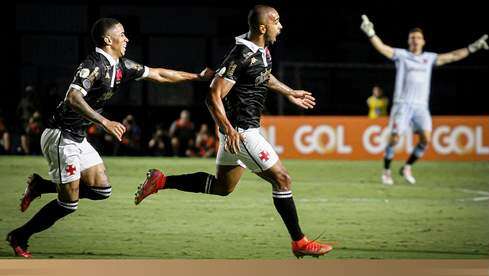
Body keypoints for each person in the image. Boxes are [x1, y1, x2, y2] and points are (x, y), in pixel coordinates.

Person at [134, 5, 333, 258]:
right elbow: (213, 95)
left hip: (241, 131)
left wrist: (290, 92)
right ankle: (300, 242)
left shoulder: (261, 50)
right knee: (282, 179)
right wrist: (229, 130)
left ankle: (161, 181)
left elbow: (265, 76)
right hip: (242, 132)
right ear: (262, 28)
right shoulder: (240, 55)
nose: (280, 26)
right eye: (276, 21)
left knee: (222, 187)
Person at [6, 17, 213, 258]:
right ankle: (20, 236)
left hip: (77, 137)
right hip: (61, 136)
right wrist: (104, 121)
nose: (126, 38)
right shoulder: (93, 65)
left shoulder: (120, 66)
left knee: (101, 191)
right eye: (122, 34)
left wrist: (197, 77)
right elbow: (73, 97)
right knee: (68, 203)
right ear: (107, 40)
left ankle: (41, 185)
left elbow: (158, 74)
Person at [360, 15, 488, 185]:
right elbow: (383, 48)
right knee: (395, 138)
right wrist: (371, 33)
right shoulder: (402, 55)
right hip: (402, 105)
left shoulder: (429, 58)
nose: (415, 40)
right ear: (408, 41)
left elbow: (452, 56)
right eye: (412, 37)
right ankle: (386, 171)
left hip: (421, 107)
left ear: (423, 41)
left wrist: (472, 48)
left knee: (426, 140)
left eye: (418, 38)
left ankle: (406, 167)